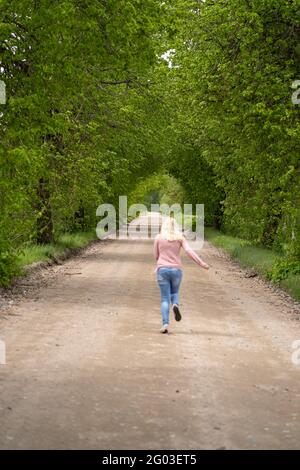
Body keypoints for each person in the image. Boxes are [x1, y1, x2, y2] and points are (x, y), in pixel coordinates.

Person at [154, 216, 209, 334]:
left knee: (164, 299)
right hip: (176, 271)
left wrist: (160, 264)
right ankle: (175, 305)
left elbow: (156, 256)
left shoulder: (158, 238)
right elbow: (189, 251)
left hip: (162, 270)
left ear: (163, 226)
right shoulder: (180, 238)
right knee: (175, 293)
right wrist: (201, 263)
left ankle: (165, 324)